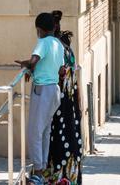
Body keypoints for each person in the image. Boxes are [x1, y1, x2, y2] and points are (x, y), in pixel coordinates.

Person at [16, 12, 65, 185]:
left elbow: (34, 61)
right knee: (45, 131)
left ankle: (37, 172)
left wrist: (25, 64)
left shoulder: (43, 42)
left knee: (34, 133)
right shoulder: (58, 44)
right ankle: (42, 170)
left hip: (42, 91)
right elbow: (60, 70)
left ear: (39, 29)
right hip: (54, 91)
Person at [47, 10, 83, 185]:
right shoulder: (66, 46)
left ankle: (58, 178)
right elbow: (76, 77)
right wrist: (80, 104)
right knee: (71, 142)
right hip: (71, 106)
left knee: (56, 144)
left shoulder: (54, 47)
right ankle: (71, 179)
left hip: (58, 105)